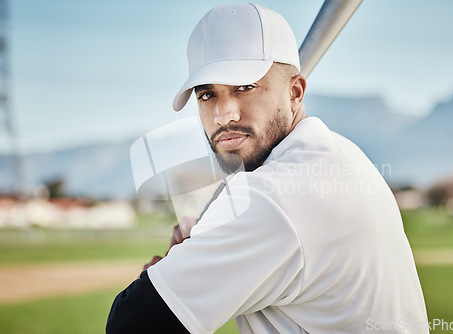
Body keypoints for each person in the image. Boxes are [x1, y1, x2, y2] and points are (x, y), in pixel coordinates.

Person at [107, 3, 429, 333]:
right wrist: (204, 241)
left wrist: (173, 267)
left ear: (295, 92)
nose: (224, 115)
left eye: (244, 87)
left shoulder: (273, 196)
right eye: (207, 95)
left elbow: (131, 324)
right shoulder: (341, 156)